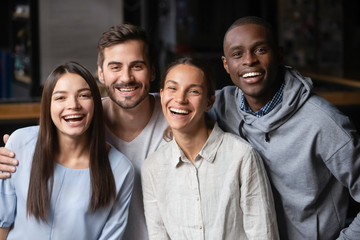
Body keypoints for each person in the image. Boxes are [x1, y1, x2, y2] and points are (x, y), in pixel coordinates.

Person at [0, 24, 168, 240]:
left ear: (153, 70)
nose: (126, 77)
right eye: (115, 67)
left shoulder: (177, 119)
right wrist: (15, 148)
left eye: (137, 66)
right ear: (101, 73)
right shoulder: (34, 139)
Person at [209, 16, 360, 239]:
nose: (249, 60)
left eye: (260, 50)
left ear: (278, 54)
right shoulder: (221, 105)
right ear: (226, 64)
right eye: (237, 54)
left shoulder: (323, 122)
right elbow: (172, 103)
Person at [142, 57, 279, 239]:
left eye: (194, 91)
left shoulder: (241, 155)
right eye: (172, 88)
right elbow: (158, 235)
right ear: (162, 95)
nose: (180, 99)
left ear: (209, 101)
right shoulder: (152, 167)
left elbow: (263, 234)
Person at [0, 61, 134, 239]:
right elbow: (2, 223)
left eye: (84, 95)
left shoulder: (120, 169)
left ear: (96, 103)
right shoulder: (20, 143)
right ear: (48, 105)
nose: (73, 105)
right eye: (60, 97)